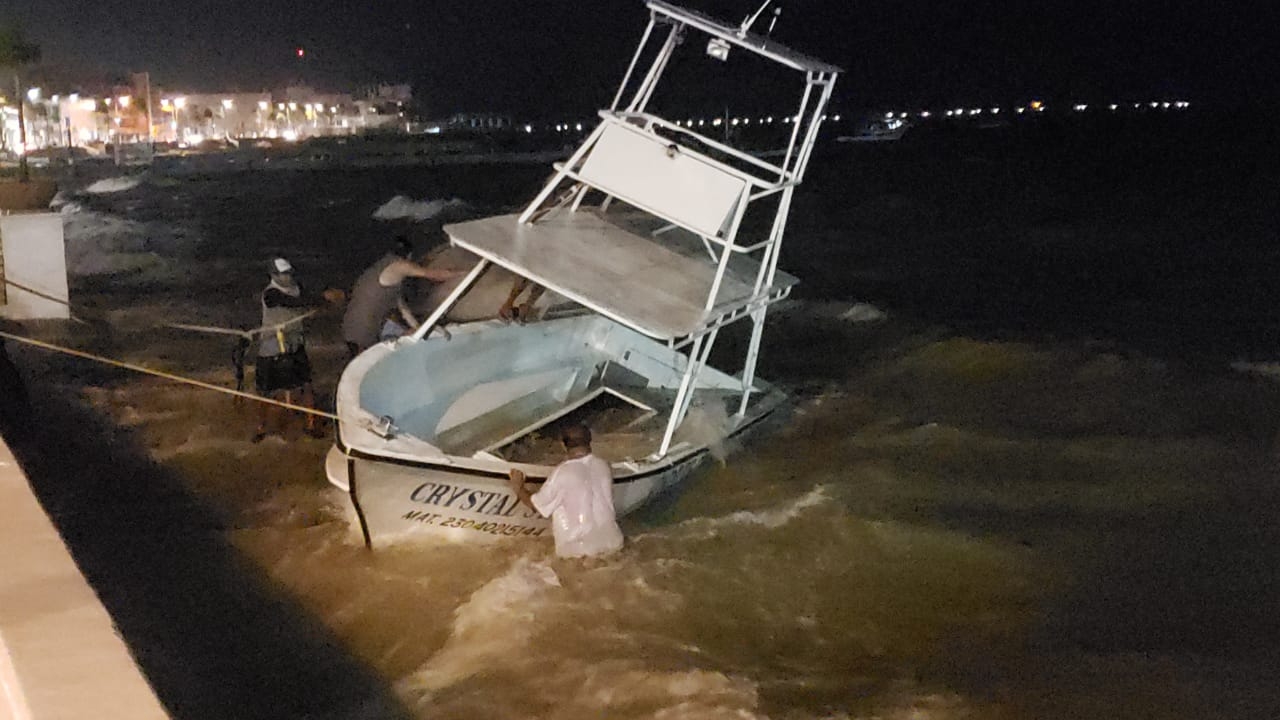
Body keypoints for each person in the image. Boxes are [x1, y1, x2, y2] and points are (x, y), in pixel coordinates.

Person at [507, 424, 624, 558]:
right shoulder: (603, 466)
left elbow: (537, 506)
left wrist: (518, 487)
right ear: (590, 440)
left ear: (563, 445)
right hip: (614, 542)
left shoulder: (562, 473)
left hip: (579, 552)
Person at [342, 236, 461, 360]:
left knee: (406, 332)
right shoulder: (400, 265)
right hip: (364, 335)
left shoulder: (382, 268)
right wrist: (462, 274)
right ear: (409, 255)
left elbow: (403, 308)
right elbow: (435, 275)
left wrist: (417, 328)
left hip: (349, 328)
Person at [253, 257, 326, 442]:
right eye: (282, 274)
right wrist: (323, 298)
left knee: (306, 384)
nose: (286, 277)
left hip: (295, 343)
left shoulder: (296, 286)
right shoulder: (270, 294)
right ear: (273, 275)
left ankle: (311, 424)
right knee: (265, 391)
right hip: (272, 347)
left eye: (288, 273)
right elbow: (293, 302)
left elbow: (304, 299)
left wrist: (322, 301)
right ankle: (261, 427)